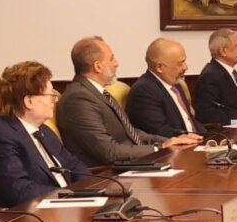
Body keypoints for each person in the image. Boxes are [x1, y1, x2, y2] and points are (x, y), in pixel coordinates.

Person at [60, 36, 200, 166]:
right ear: (98, 66)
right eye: (112, 59)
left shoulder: (97, 92)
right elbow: (109, 152)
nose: (117, 63)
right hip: (107, 174)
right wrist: (159, 148)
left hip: (131, 164)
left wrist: (169, 141)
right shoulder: (78, 99)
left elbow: (130, 133)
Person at [0, 61, 93, 207]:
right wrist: (69, 195)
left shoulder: (42, 129)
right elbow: (20, 191)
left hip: (65, 204)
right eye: (50, 94)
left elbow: (73, 164)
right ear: (29, 101)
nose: (55, 99)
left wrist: (89, 190)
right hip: (33, 214)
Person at [127, 38, 201, 139]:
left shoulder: (175, 84)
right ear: (159, 67)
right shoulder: (144, 90)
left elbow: (191, 122)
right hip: (176, 146)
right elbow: (160, 131)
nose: (185, 67)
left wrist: (210, 137)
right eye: (180, 63)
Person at [194, 28, 237, 127]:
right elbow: (206, 114)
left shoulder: (230, 72)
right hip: (224, 133)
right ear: (223, 51)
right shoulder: (210, 76)